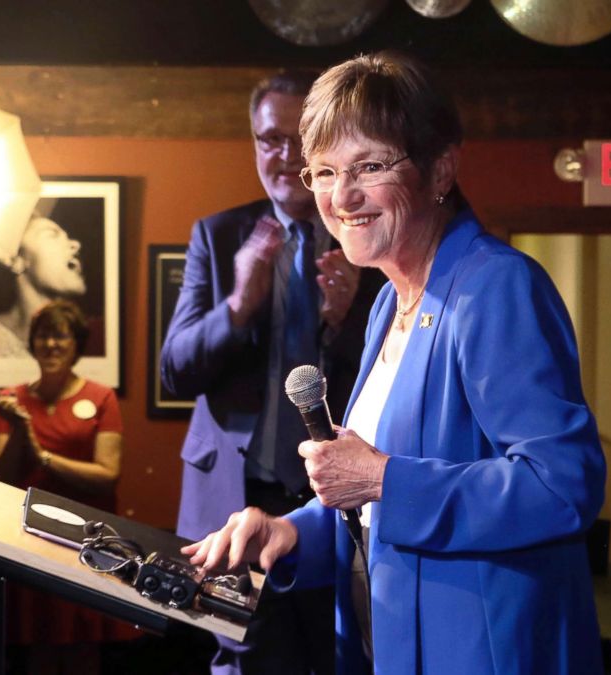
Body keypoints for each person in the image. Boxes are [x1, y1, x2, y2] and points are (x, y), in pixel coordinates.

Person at [183, 51, 607, 675]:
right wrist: (294, 532)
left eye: (369, 166)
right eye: (323, 171)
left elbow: (561, 485)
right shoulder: (389, 301)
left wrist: (384, 479)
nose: (341, 196)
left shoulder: (496, 287)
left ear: (440, 169)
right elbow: (379, 503)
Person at [160, 69, 384, 674]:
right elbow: (174, 371)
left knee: (338, 653)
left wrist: (343, 324)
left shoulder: (367, 235)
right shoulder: (219, 233)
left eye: (296, 141)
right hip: (233, 496)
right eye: (268, 140)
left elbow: (386, 385)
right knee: (243, 659)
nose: (283, 157)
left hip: (331, 493)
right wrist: (236, 307)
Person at [0, 299, 123, 674]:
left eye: (60, 335)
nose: (51, 345)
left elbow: (107, 474)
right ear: (32, 343)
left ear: (76, 343)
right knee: (38, 648)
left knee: (82, 648)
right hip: (31, 539)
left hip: (85, 541)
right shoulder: (12, 399)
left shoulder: (101, 397)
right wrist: (19, 429)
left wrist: (43, 456)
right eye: (43, 336)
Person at [0, 214, 89, 357]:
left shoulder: (84, 336)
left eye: (67, 237)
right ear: (15, 260)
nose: (75, 244)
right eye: (52, 235)